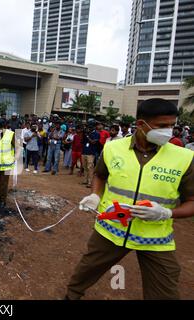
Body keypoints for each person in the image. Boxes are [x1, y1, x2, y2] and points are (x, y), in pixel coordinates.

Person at [67, 98, 194, 300]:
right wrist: (94, 195)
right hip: (111, 229)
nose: (169, 132)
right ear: (141, 125)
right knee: (86, 270)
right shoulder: (113, 148)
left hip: (155, 238)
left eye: (172, 125)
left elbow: (192, 202)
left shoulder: (184, 158)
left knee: (166, 290)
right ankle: (70, 296)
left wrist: (167, 213)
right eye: (162, 126)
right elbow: (100, 175)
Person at [0, 118, 16, 208]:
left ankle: (3, 201)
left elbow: (17, 147)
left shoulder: (11, 134)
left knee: (4, 184)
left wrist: (14, 158)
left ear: (4, 126)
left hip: (7, 165)